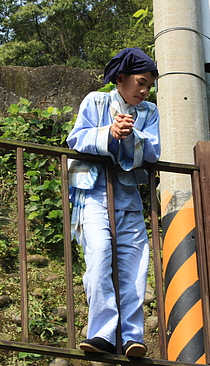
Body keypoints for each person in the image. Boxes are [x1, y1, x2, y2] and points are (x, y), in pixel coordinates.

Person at [67, 47, 160, 357]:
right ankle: (102, 333)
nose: (145, 91)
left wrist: (131, 135)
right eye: (141, 83)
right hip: (93, 195)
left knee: (135, 265)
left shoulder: (150, 112)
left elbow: (154, 151)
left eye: (149, 86)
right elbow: (77, 139)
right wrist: (110, 132)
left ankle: (132, 336)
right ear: (121, 79)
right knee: (100, 256)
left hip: (129, 199)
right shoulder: (95, 101)